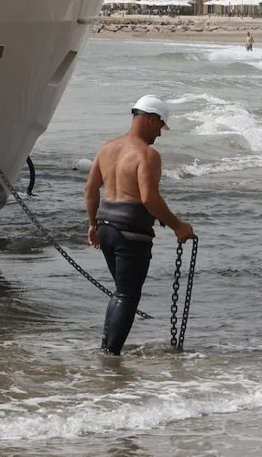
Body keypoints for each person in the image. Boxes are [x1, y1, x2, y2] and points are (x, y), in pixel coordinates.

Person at [85, 95, 194, 354]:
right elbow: (149, 198)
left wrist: (92, 225)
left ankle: (105, 350)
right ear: (150, 119)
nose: (160, 133)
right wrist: (178, 226)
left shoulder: (107, 148)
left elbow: (90, 190)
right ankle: (111, 358)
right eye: (160, 126)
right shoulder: (147, 155)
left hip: (106, 226)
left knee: (121, 292)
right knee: (127, 295)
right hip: (129, 232)